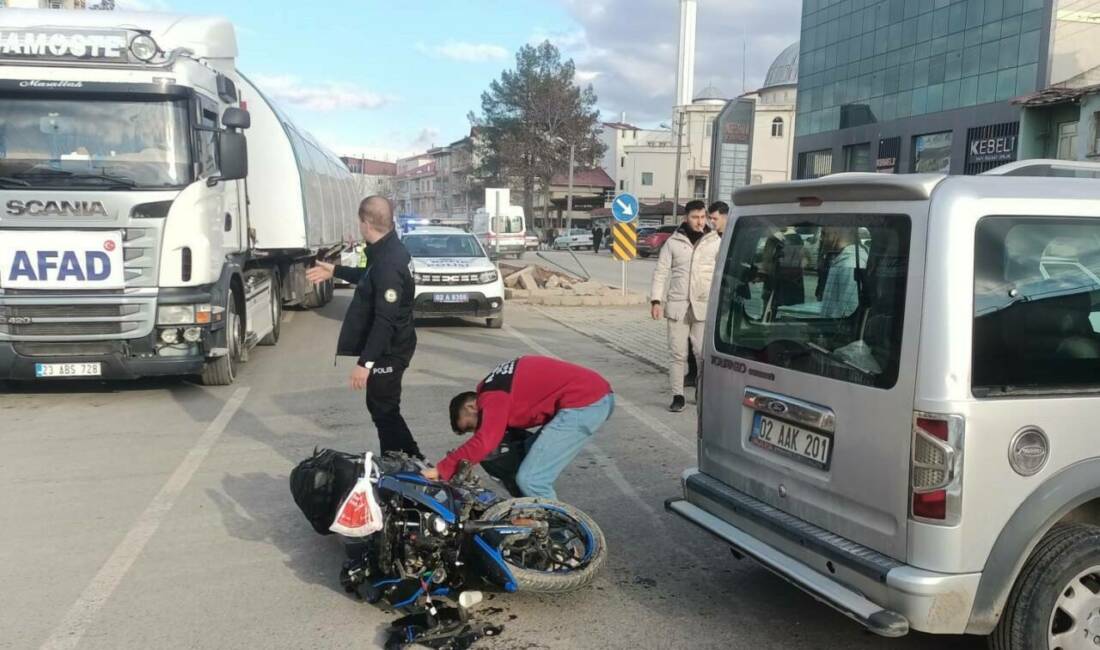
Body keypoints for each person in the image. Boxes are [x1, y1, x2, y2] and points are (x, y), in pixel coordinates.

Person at [306, 196, 421, 458]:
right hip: (392, 345)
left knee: (384, 408)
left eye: (359, 222)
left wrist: (365, 363)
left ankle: (408, 462)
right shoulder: (385, 250)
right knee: (382, 408)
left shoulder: (389, 262)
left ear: (366, 222)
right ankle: (402, 461)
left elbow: (385, 320)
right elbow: (368, 277)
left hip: (391, 349)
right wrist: (334, 271)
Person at [421, 356, 614, 499]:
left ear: (472, 406)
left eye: (472, 425)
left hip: (585, 403)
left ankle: (558, 540)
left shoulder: (492, 395)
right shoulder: (497, 383)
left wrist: (442, 469)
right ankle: (531, 515)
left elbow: (486, 439)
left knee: (531, 480)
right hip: (588, 398)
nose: (478, 429)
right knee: (522, 462)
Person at [650, 200, 721, 412]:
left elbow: (721, 273)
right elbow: (661, 273)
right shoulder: (673, 242)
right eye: (694, 217)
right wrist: (656, 300)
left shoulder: (714, 241)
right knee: (677, 353)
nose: (699, 221)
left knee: (702, 353)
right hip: (678, 306)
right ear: (686, 218)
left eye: (702, 217)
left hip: (703, 305)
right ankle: (678, 395)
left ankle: (701, 390)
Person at [818, 226, 868, 318]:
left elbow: (848, 311)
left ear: (837, 231)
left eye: (824, 233)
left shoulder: (851, 264)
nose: (821, 238)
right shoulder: (841, 261)